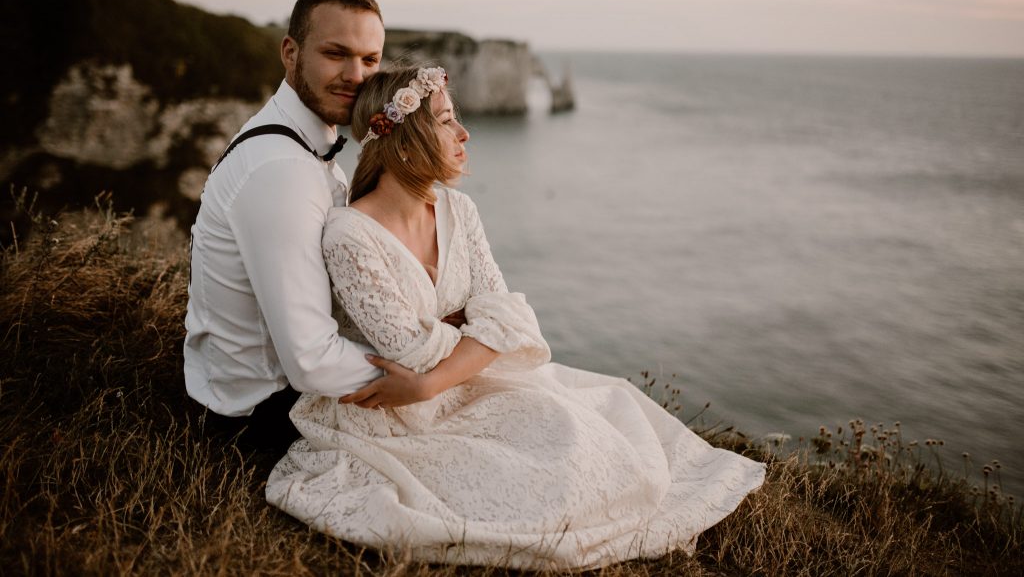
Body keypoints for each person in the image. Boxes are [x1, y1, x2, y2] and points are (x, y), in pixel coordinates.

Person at [266, 65, 766, 570]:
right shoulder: (349, 234)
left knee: (584, 432)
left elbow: (508, 319)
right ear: (403, 140)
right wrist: (469, 328)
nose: (465, 134)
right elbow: (407, 350)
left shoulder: (460, 211)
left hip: (447, 386)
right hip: (394, 410)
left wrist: (440, 368)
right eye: (445, 121)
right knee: (534, 474)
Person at [183, 0, 430, 452]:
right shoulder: (282, 171)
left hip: (277, 398)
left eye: (369, 59)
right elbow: (311, 360)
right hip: (258, 422)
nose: (356, 76)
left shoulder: (300, 146)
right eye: (335, 54)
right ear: (290, 53)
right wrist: (430, 375)